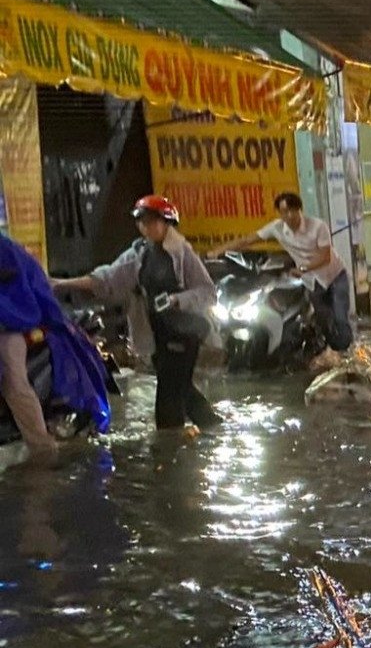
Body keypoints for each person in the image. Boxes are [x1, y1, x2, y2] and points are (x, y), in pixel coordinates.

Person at [55, 196, 220, 433]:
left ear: (167, 222)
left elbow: (208, 292)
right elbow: (108, 278)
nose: (146, 227)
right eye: (142, 222)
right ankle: (213, 428)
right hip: (157, 333)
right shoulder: (139, 253)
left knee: (168, 396)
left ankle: (170, 448)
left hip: (184, 332)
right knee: (181, 388)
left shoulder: (182, 253)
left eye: (151, 221)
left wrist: (177, 300)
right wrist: (61, 283)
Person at [0, 233, 111, 460]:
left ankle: (43, 451)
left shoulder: (7, 250)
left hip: (12, 325)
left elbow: (26, 283)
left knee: (13, 381)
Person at [211, 192, 354, 352]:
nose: (289, 215)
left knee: (340, 316)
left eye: (292, 211)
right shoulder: (277, 228)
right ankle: (331, 349)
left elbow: (325, 257)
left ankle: (348, 353)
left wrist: (303, 269)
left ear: (300, 210)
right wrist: (219, 250)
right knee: (324, 319)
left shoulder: (318, 226)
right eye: (284, 212)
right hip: (312, 282)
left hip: (334, 276)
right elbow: (247, 240)